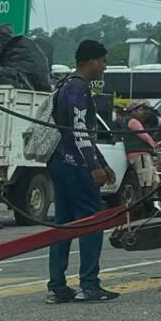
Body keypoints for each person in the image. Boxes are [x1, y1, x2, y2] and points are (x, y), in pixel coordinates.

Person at [46, 40, 119, 304]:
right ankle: (90, 284)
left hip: (60, 163)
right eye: (103, 61)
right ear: (91, 61)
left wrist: (103, 162)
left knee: (64, 225)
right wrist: (95, 167)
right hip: (74, 166)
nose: (104, 67)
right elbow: (79, 132)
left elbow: (80, 134)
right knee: (91, 223)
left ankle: (57, 285)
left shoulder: (65, 84)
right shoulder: (78, 89)